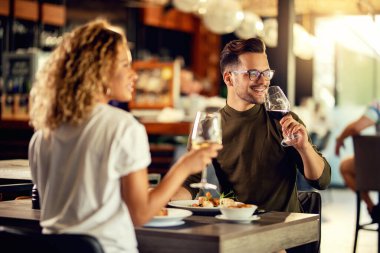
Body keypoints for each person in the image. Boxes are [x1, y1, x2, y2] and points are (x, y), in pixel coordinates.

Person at [28, 19, 222, 253]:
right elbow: (139, 214)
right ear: (97, 69)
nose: (135, 75)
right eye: (124, 64)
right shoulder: (123, 126)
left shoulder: (43, 134)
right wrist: (184, 167)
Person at [173, 37, 331, 213]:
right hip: (235, 227)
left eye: (266, 73)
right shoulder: (210, 125)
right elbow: (190, 183)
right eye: (254, 73)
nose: (264, 81)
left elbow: (321, 181)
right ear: (229, 78)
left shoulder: (285, 121)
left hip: (283, 229)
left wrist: (304, 148)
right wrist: (159, 199)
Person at [335, 100, 380, 222]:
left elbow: (355, 128)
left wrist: (340, 139)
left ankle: (372, 208)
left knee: (344, 167)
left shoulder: (377, 106)